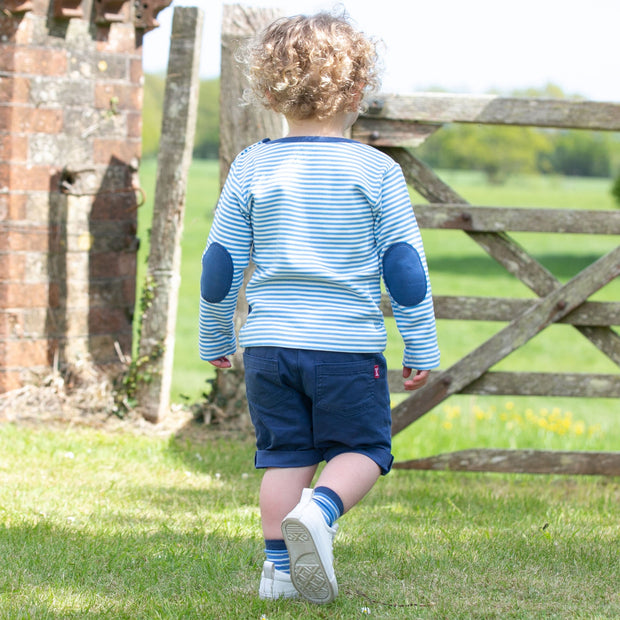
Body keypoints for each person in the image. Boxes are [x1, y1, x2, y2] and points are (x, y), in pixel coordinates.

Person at [199, 10, 440, 605]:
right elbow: (404, 268)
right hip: (346, 349)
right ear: (358, 89)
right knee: (364, 450)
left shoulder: (253, 164)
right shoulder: (376, 169)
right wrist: (421, 342)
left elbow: (221, 264)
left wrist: (214, 337)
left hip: (268, 346)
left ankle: (278, 574)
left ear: (269, 88)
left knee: (285, 455)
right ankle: (321, 512)